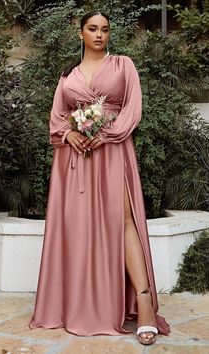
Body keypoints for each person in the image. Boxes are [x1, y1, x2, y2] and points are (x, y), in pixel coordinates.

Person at [29, 10, 170, 345]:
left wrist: (106, 135)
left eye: (104, 29)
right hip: (74, 159)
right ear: (81, 33)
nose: (99, 34)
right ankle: (81, 304)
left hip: (111, 151)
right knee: (76, 226)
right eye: (92, 29)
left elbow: (133, 109)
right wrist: (68, 135)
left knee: (121, 221)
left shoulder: (124, 65)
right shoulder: (68, 74)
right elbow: (57, 118)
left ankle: (144, 302)